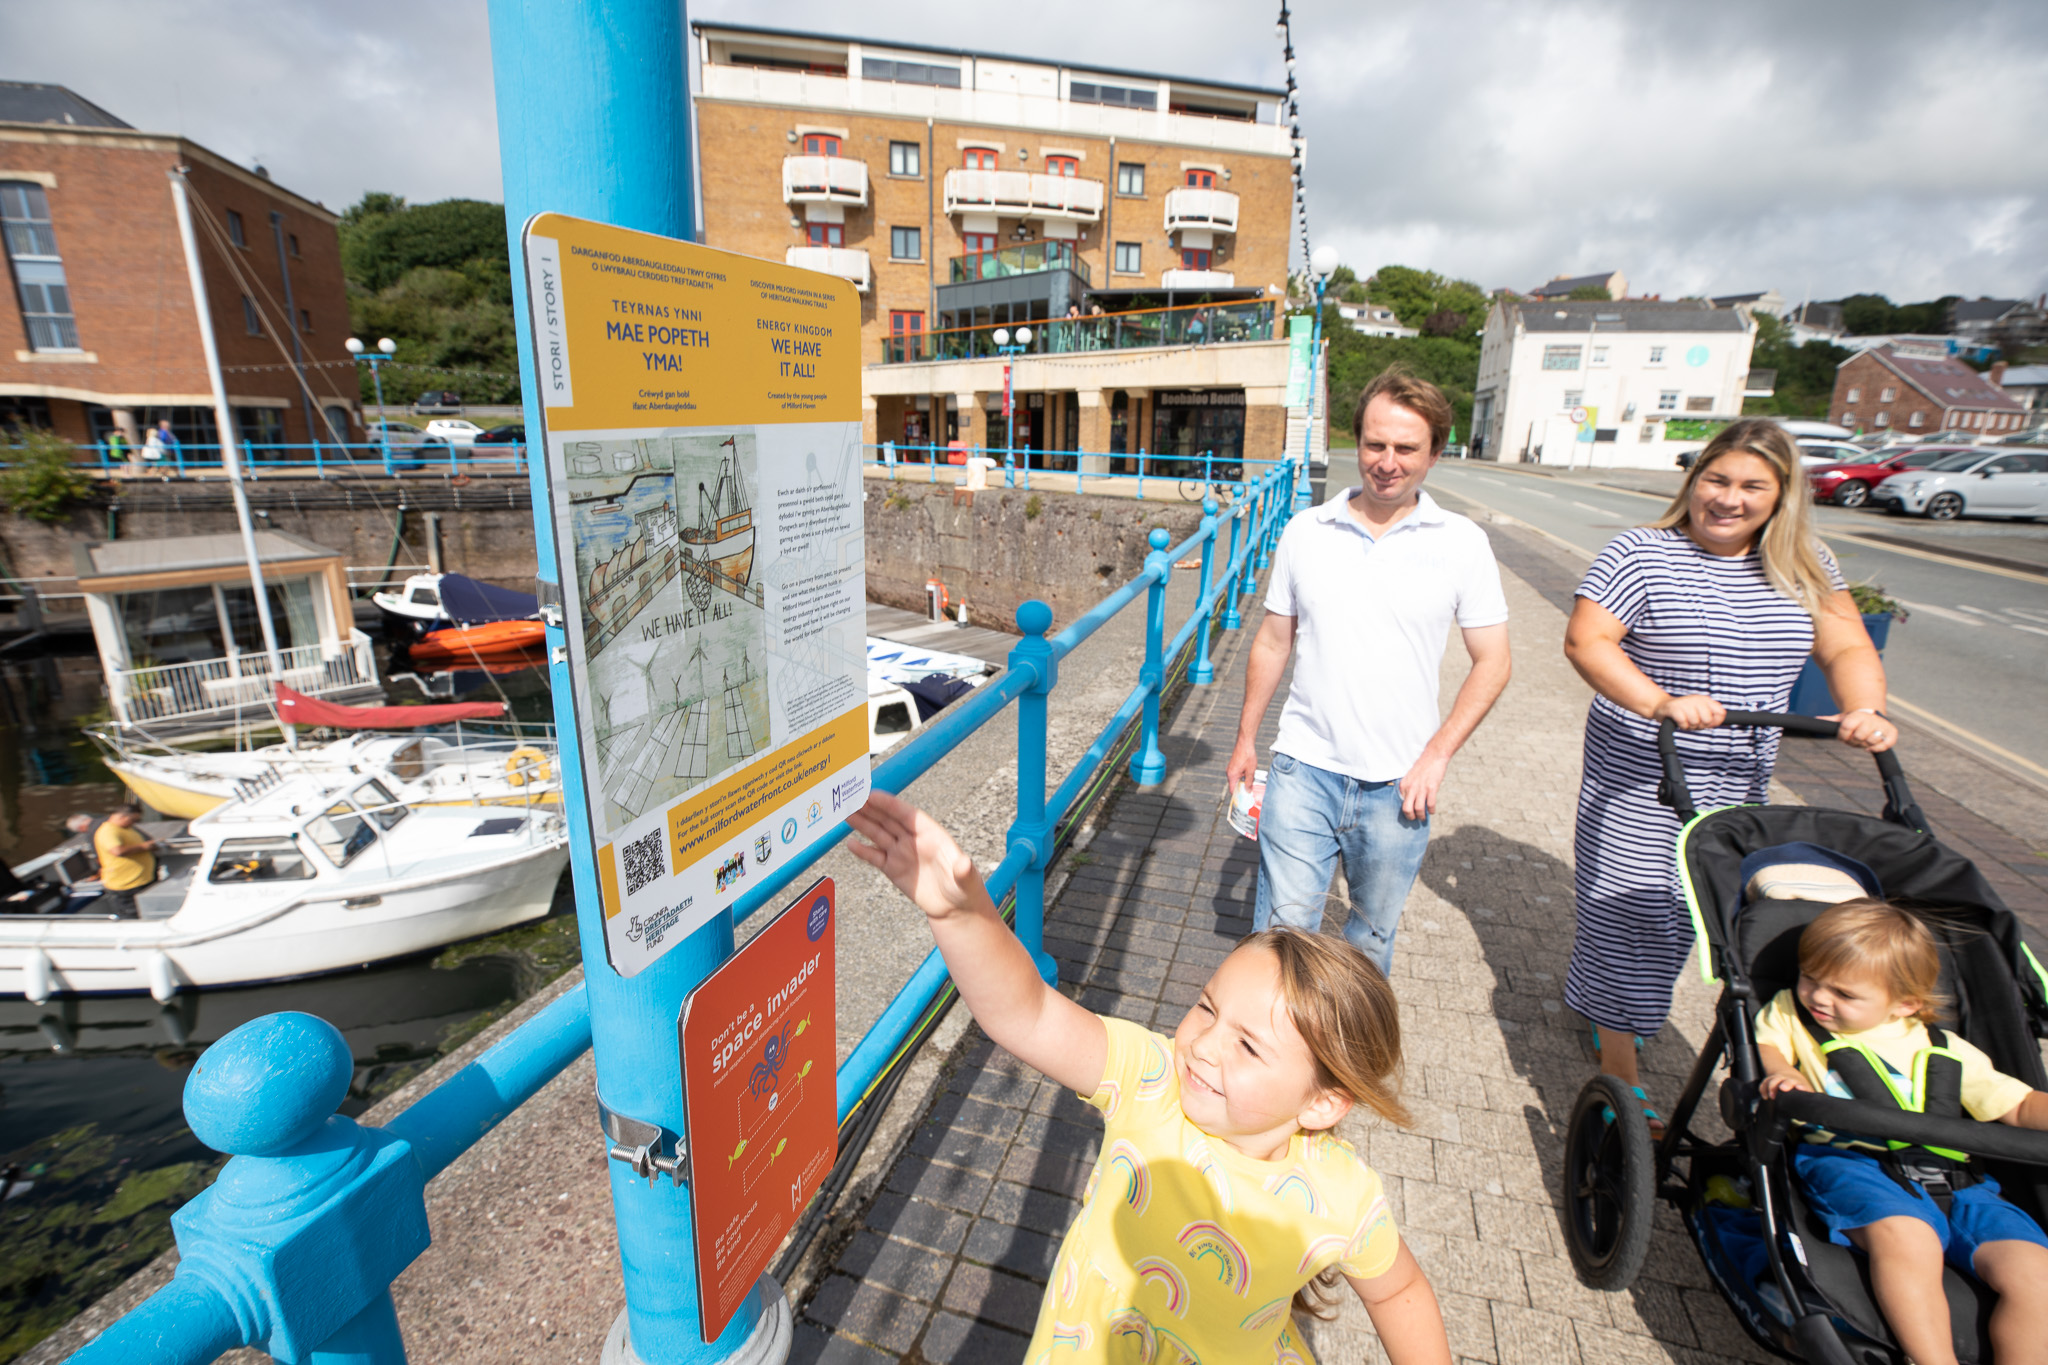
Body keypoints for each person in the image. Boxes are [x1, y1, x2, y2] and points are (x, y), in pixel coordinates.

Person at [847, 789, 1451, 1364]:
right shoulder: (1152, 1080)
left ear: (1322, 1105)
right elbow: (1025, 1012)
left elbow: (1399, 1292)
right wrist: (963, 914)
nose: (1204, 1044)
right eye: (1207, 1008)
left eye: (1248, 1046)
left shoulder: (1344, 1195)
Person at [1562, 418, 1892, 1126]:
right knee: (1632, 908)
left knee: (1694, 916)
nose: (1728, 498)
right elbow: (1588, 640)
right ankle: (1619, 1063)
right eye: (1717, 479)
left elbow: (1845, 646)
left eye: (1751, 486)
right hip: (1642, 772)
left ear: (1781, 497)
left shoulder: (1805, 564)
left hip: (1737, 780)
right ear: (1694, 480)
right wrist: (1660, 701)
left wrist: (1863, 708)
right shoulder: (1641, 553)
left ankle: (1615, 1004)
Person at [1226, 369, 1511, 972]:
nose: (1387, 462)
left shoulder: (1462, 542)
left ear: (1435, 453)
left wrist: (1437, 755)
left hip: (1400, 787)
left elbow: (1495, 661)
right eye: (1374, 444)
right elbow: (1274, 641)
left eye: (1406, 448)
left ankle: (1349, 1063)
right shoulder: (1307, 531)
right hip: (1304, 769)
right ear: (1354, 442)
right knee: (1281, 938)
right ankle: (1277, 1059)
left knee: (1369, 943)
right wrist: (1247, 737)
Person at [1755, 899, 2048, 1365]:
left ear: (1905, 1004)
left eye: (1845, 994)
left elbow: (2018, 1105)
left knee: (2037, 1274)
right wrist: (1780, 1073)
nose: (1819, 997)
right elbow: (1766, 1045)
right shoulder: (1795, 1017)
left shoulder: (1947, 1050)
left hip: (1959, 1182)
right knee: (1909, 1239)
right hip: (1854, 1164)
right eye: (1810, 978)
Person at [93, 803, 158, 918]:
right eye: (133, 820)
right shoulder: (108, 831)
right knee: (132, 917)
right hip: (126, 885)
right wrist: (143, 847)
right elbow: (117, 851)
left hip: (140, 880)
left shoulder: (126, 828)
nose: (134, 823)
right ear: (122, 817)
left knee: (148, 912)